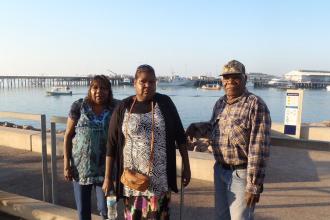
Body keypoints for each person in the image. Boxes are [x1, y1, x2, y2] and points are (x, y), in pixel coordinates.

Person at [102, 64, 191, 220]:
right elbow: (112, 144)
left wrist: (187, 166)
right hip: (132, 181)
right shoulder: (124, 107)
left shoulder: (165, 103)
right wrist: (108, 178)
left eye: (152, 81)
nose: (147, 85)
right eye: (143, 81)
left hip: (160, 181)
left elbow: (180, 135)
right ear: (134, 83)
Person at [210, 60, 271, 220]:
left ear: (245, 78)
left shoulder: (255, 104)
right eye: (226, 77)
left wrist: (254, 186)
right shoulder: (220, 103)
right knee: (220, 217)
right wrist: (196, 127)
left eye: (235, 77)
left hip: (241, 175)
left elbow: (259, 148)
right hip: (220, 170)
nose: (230, 81)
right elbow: (216, 128)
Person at [63, 75, 118, 220]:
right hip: (81, 169)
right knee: (83, 211)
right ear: (90, 89)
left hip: (107, 170)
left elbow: (136, 105)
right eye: (95, 87)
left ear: (109, 91)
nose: (99, 91)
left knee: (108, 210)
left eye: (104, 88)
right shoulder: (78, 106)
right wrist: (66, 165)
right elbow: (68, 136)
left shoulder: (116, 107)